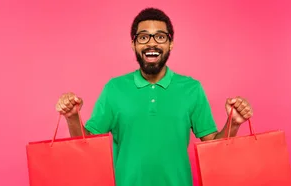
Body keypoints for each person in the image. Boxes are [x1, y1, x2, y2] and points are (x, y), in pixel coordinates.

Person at [54, 7, 253, 186]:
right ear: (133, 44)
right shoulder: (114, 88)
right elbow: (86, 144)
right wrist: (72, 117)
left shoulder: (192, 89)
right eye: (143, 37)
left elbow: (214, 146)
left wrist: (233, 123)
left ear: (170, 44)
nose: (151, 43)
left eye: (160, 37)